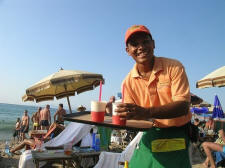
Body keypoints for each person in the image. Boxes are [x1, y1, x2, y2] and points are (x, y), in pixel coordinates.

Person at [116, 25, 192, 167]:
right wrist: (118, 116)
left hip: (176, 135)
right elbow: (133, 117)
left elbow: (182, 106)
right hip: (149, 133)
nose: (141, 47)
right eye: (134, 44)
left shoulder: (174, 67)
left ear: (153, 44)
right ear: (128, 51)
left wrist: (146, 112)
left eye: (145, 42)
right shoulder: (127, 82)